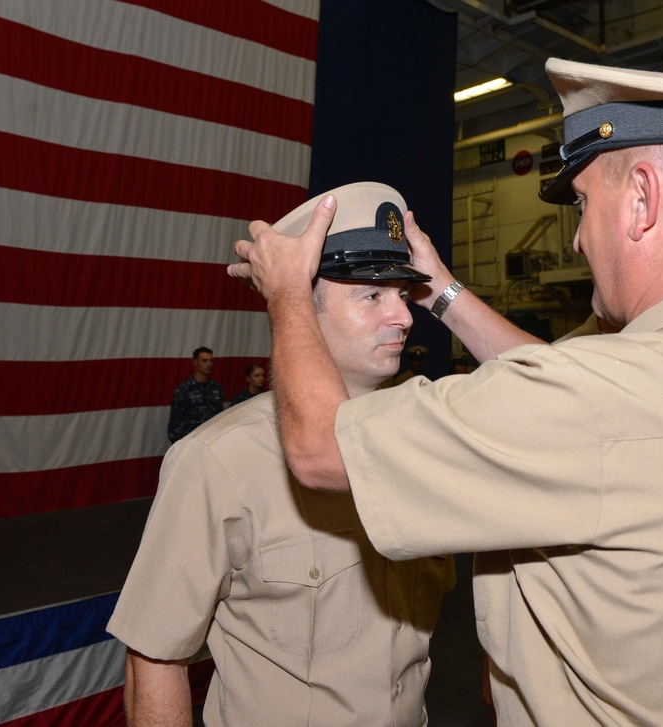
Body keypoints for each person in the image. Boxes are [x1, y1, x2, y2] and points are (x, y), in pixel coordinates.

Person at [230, 59, 663, 725]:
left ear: (642, 198)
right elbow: (574, 394)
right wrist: (441, 291)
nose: (579, 236)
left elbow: (322, 448)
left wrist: (290, 293)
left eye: (583, 203)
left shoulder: (596, 403)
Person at [108, 182, 455, 727]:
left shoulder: (424, 433)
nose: (405, 317)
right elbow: (155, 654)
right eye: (371, 295)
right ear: (303, 307)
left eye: (402, 293)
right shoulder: (218, 459)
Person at [167, 346, 224, 443]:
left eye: (211, 361)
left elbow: (220, 418)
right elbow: (175, 425)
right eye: (204, 361)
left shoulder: (216, 388)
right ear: (195, 362)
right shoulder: (184, 389)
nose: (209, 364)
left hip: (212, 442)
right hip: (191, 443)